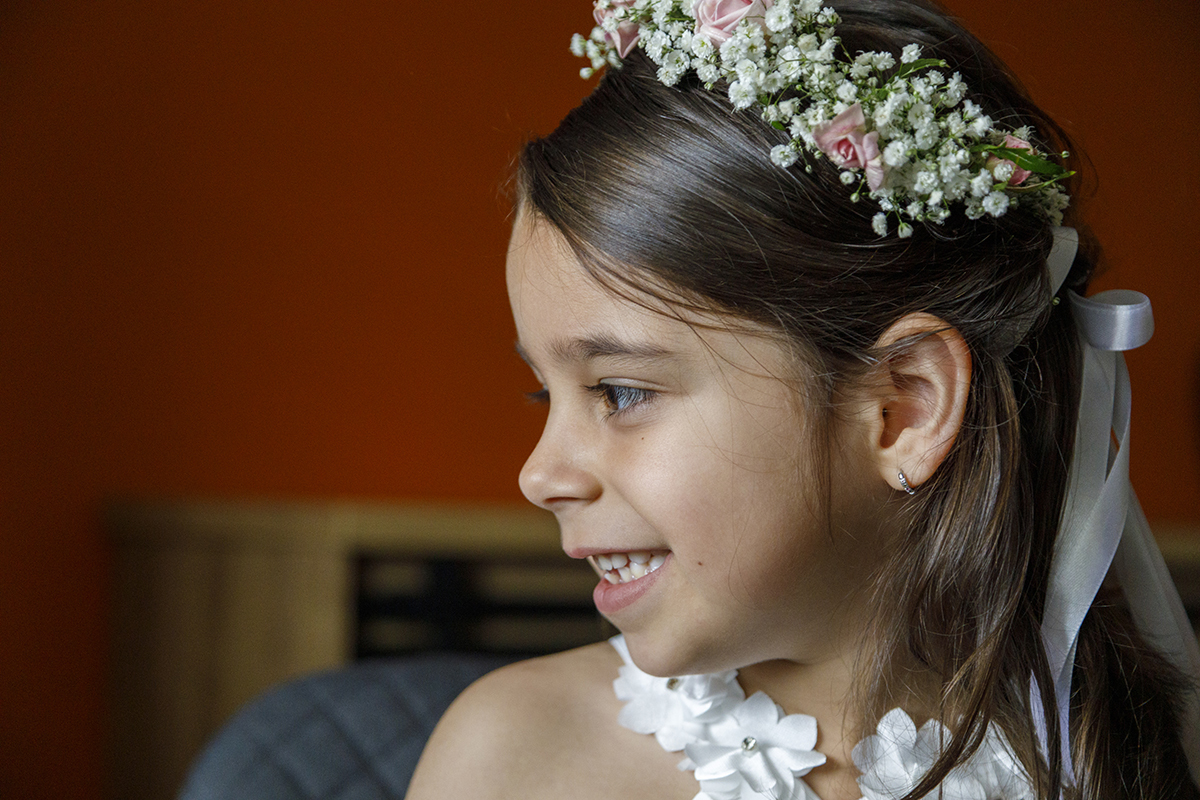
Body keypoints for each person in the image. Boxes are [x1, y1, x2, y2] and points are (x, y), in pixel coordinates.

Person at [405, 1, 1200, 797]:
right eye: (545, 393)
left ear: (904, 407)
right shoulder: (513, 760)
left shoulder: (1126, 760)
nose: (539, 476)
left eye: (620, 391)